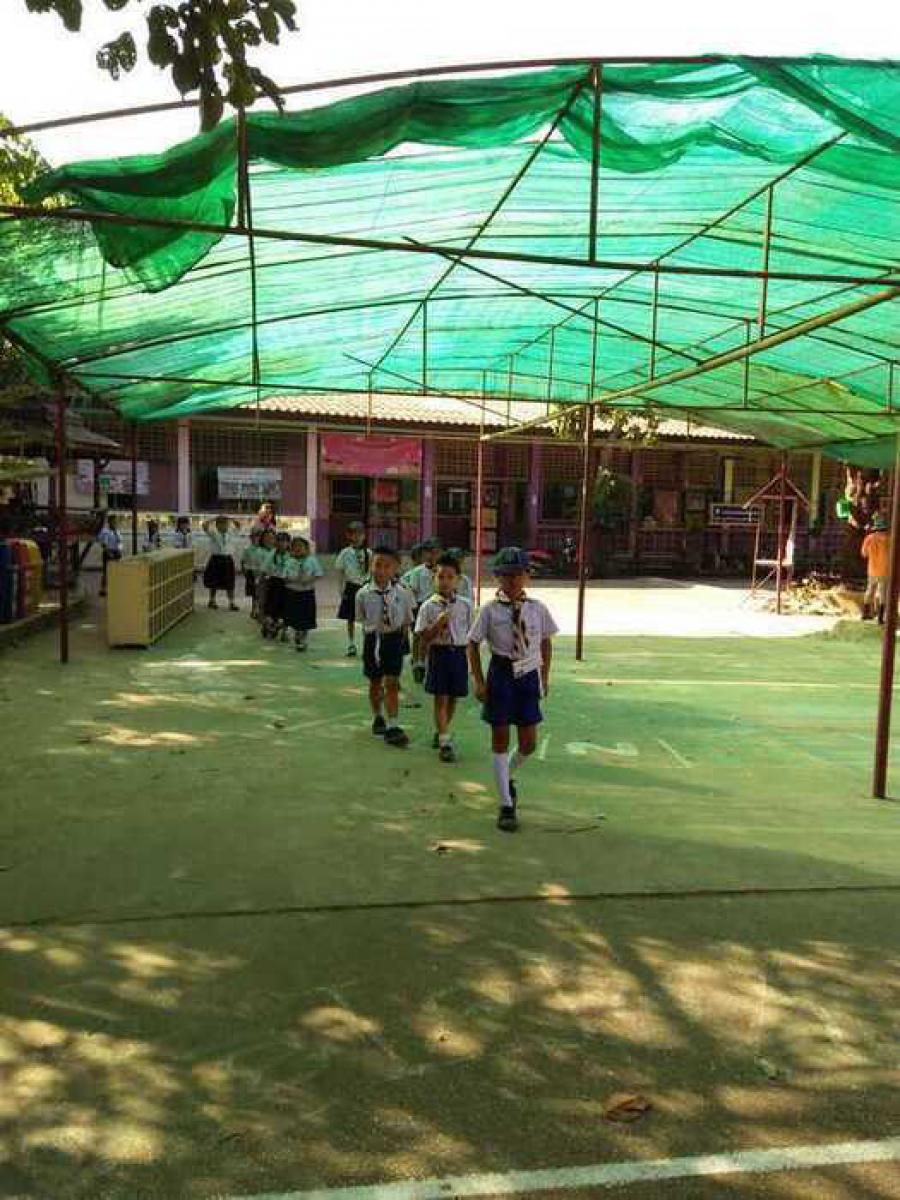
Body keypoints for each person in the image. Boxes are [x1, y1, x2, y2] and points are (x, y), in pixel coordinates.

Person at [467, 547, 559, 832]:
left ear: (527, 576)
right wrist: (479, 681)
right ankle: (506, 804)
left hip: (528, 674)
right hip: (501, 674)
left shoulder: (537, 608)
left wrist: (545, 676)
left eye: (518, 574)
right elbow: (472, 643)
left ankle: (506, 774)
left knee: (529, 743)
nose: (512, 580)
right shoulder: (489, 610)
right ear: (497, 578)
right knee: (500, 736)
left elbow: (546, 641)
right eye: (506, 575)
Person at [356, 545, 415, 747]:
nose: (381, 570)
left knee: (391, 682)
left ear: (395, 568)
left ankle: (393, 725)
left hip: (394, 639)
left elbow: (407, 621)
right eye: (377, 565)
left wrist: (403, 645)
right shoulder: (362, 594)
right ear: (370, 566)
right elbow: (362, 619)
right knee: (375, 682)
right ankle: (377, 716)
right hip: (373, 639)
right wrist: (370, 640)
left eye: (387, 566)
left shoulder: (404, 593)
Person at [415, 553, 472, 762]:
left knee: (454, 696)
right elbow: (423, 637)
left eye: (450, 577)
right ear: (433, 578)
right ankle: (445, 742)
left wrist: (470, 662)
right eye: (440, 577)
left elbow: (470, 634)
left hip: (458, 654)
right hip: (438, 654)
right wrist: (437, 625)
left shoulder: (465, 605)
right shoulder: (427, 606)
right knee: (440, 697)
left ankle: (442, 730)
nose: (445, 581)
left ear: (458, 580)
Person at [403, 537, 442, 683]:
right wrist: (413, 610)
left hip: (437, 606)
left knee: (434, 635)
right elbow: (413, 591)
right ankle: (417, 662)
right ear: (424, 554)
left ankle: (428, 662)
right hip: (420, 606)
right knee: (418, 635)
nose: (432, 555)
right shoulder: (417, 572)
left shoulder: (442, 570)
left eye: (435, 552)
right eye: (428, 552)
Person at [335, 521, 371, 657]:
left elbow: (372, 571)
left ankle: (367, 644)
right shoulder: (345, 553)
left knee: (367, 617)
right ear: (348, 536)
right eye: (353, 534)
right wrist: (341, 588)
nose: (357, 537)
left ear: (364, 536)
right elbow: (340, 571)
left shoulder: (368, 552)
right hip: (351, 587)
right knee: (350, 617)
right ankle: (351, 643)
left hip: (365, 587)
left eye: (359, 534)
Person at [282, 535, 324, 651]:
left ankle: (303, 637)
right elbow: (284, 577)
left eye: (301, 546)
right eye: (295, 547)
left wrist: (309, 579)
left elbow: (319, 574)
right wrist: (292, 579)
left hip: (306, 592)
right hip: (293, 592)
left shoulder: (312, 560)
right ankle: (297, 633)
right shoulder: (289, 561)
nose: (298, 549)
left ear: (306, 548)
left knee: (306, 617)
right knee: (294, 616)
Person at [202, 516, 240, 611]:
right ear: (217, 525)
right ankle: (212, 600)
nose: (223, 526)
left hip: (227, 559)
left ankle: (231, 602)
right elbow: (204, 525)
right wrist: (214, 518)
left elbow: (238, 525)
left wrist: (230, 518)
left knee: (230, 582)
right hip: (216, 559)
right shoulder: (213, 533)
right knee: (214, 581)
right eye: (221, 524)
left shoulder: (231, 532)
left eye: (225, 524)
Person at [262, 530, 291, 638]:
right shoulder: (272, 554)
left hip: (287, 583)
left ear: (288, 543)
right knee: (271, 606)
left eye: (284, 541)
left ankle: (284, 630)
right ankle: (270, 625)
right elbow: (264, 569)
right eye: (278, 541)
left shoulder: (291, 555)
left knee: (285, 607)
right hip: (274, 582)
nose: (281, 543)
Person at [861, 514, 890, 624]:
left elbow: (864, 554)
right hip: (885, 570)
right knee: (883, 593)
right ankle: (880, 618)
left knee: (870, 590)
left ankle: (865, 613)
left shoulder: (869, 538)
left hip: (872, 569)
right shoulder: (889, 539)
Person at [254, 527, 277, 626]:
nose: (269, 540)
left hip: (275, 579)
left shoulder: (277, 551)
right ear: (262, 539)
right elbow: (261, 567)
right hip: (263, 579)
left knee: (273, 599)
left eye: (271, 538)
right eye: (266, 537)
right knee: (263, 599)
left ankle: (272, 617)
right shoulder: (259, 551)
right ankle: (261, 617)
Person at [97, 514, 122, 597]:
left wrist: (119, 550)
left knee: (116, 571)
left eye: (115, 522)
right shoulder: (105, 531)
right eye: (113, 522)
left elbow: (120, 541)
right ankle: (103, 589)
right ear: (109, 522)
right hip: (108, 552)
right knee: (106, 571)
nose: (115, 523)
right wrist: (107, 551)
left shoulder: (117, 531)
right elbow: (102, 543)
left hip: (116, 552)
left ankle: (114, 588)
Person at [241, 530, 262, 619]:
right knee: (254, 593)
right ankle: (254, 610)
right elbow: (243, 561)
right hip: (251, 572)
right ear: (250, 538)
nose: (256, 539)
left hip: (261, 573)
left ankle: (259, 610)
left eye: (258, 537)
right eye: (253, 537)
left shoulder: (263, 549)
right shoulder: (247, 549)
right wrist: (245, 572)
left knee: (261, 593)